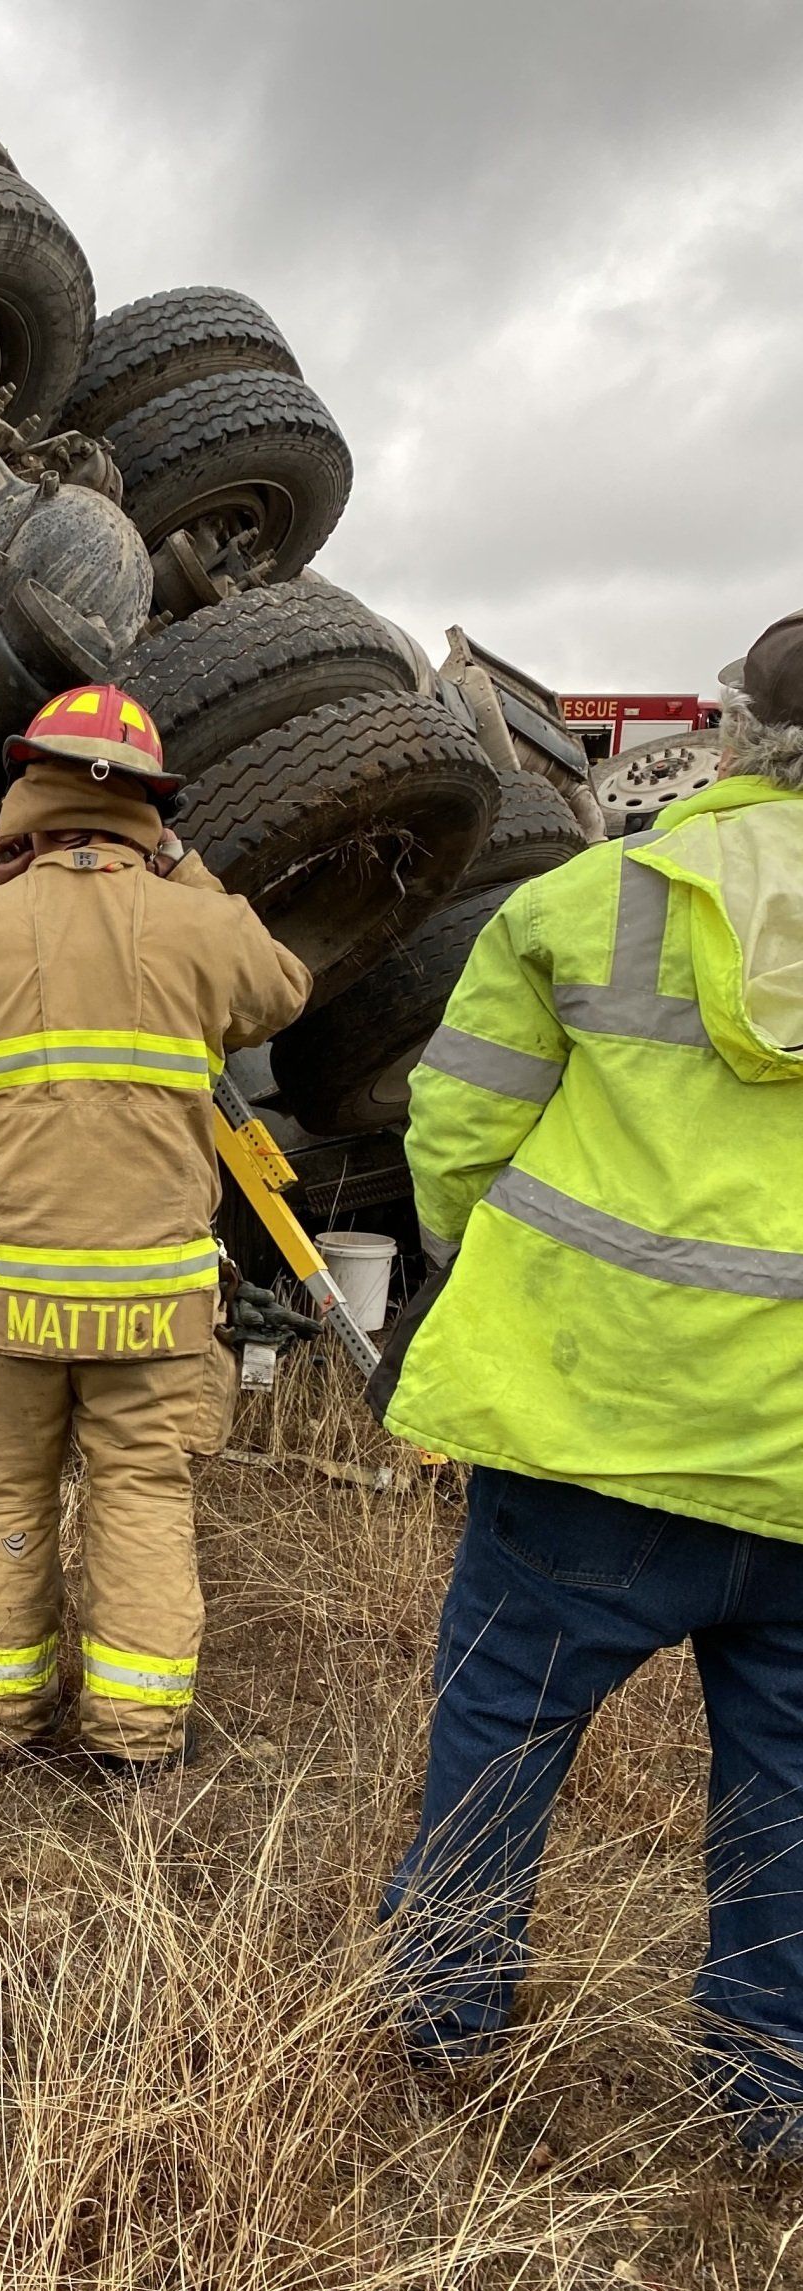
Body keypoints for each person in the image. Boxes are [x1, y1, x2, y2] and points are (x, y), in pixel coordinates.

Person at [375, 611, 803, 2153]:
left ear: (734, 728)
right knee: (796, 1783)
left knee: (504, 1718)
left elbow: (457, 1134)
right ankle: (772, 2091)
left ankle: (443, 2015)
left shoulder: (586, 903)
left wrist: (482, 1268)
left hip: (591, 1437)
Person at [0, 684, 311, 1771]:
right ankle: (135, 1741)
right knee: (144, 1500)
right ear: (152, 808)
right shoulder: (202, 922)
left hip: (2, 1302)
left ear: (28, 793)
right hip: (152, 1305)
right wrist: (184, 873)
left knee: (3, 1495)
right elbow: (282, 986)